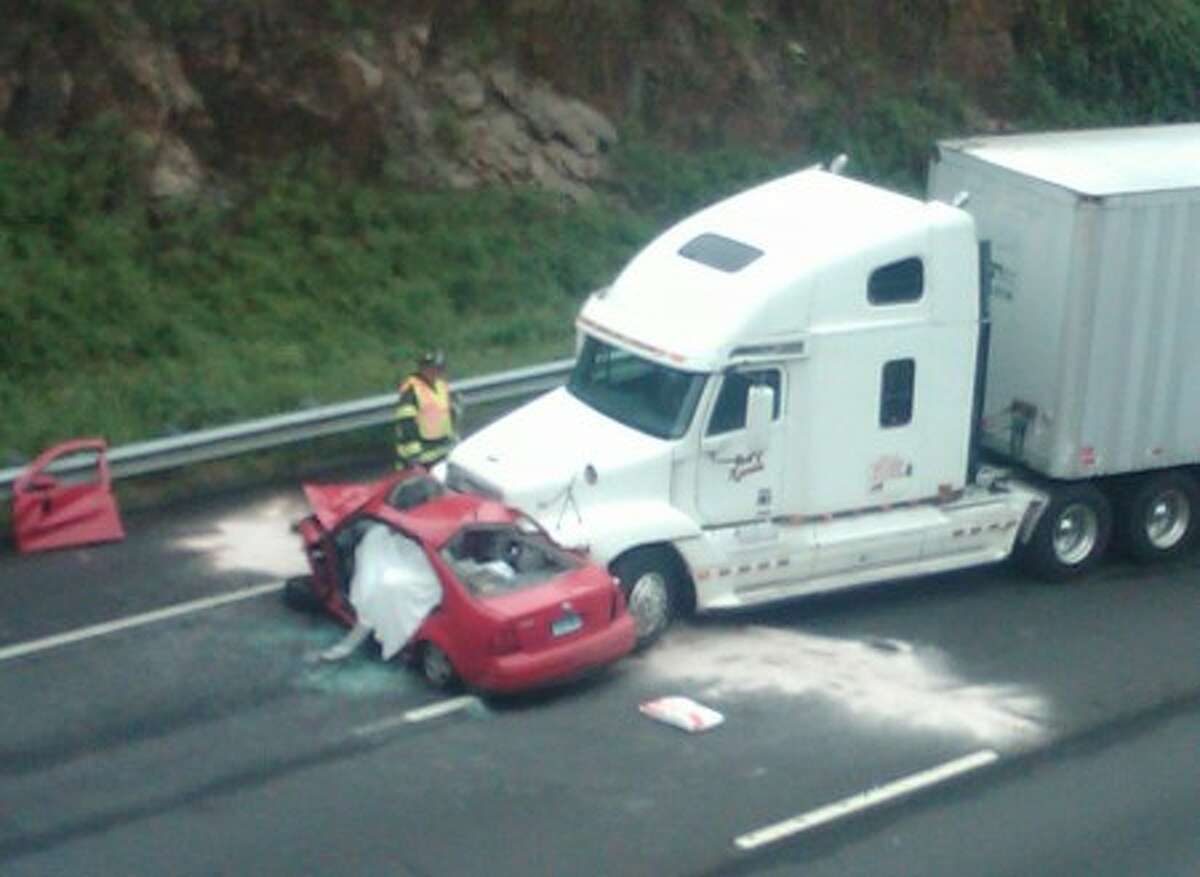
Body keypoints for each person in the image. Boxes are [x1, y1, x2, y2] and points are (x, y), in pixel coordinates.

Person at [395, 349, 458, 470]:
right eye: (431, 368)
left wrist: (452, 440)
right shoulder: (411, 389)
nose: (436, 372)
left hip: (441, 451)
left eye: (439, 368)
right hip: (420, 457)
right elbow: (406, 423)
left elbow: (445, 415)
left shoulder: (441, 385)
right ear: (422, 368)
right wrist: (414, 454)